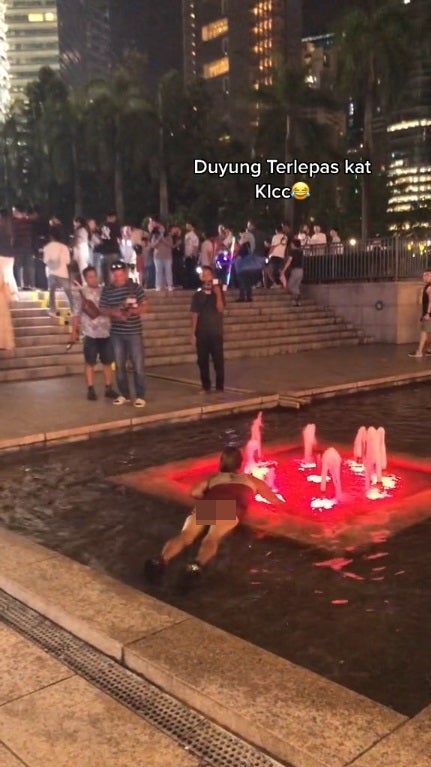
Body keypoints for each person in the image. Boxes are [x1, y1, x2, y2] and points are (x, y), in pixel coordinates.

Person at [144, 446, 286, 584]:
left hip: (208, 505)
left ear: (222, 462)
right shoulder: (251, 479)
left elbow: (194, 492)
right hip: (230, 508)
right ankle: (195, 566)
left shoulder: (214, 478)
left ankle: (161, 559)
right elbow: (275, 501)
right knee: (212, 538)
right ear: (240, 463)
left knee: (185, 536)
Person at [99, 260, 149, 407]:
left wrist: (135, 311)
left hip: (134, 331)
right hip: (117, 332)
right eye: (116, 275)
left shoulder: (134, 287)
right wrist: (115, 313)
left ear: (126, 273)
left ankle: (140, 395)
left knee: (138, 365)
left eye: (121, 274)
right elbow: (102, 309)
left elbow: (146, 305)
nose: (118, 277)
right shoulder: (108, 289)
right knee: (120, 365)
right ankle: (124, 394)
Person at [71, 266, 118, 401]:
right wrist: (74, 331)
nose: (94, 279)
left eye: (95, 276)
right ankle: (90, 388)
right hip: (90, 333)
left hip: (106, 332)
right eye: (90, 277)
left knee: (107, 362)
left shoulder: (105, 290)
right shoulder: (82, 292)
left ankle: (109, 387)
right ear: (85, 279)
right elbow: (76, 313)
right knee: (90, 362)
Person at [191, 265, 225, 393]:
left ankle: (220, 387)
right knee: (202, 361)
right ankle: (206, 386)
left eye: (209, 274)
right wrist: (193, 333)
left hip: (216, 332)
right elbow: (195, 315)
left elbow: (221, 309)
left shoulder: (218, 292)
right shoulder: (198, 295)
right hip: (202, 332)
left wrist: (218, 294)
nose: (206, 277)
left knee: (218, 361)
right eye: (204, 275)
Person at [43, 229, 74, 318]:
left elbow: (45, 260)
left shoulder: (47, 247)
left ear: (51, 237)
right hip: (63, 272)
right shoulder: (64, 247)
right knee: (68, 292)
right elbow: (68, 261)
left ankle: (52, 310)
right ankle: (73, 310)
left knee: (52, 292)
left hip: (51, 272)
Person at [408, 271, 431, 358]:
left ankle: (419, 351)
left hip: (428, 314)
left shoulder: (429, 288)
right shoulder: (427, 287)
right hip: (427, 313)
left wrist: (428, 313)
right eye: (424, 275)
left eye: (428, 275)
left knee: (424, 331)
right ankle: (429, 349)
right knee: (427, 332)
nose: (425, 277)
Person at [280, 237, 304, 305]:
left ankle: (297, 298)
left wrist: (284, 270)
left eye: (291, 244)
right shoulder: (300, 251)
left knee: (290, 286)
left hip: (295, 270)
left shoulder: (292, 252)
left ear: (293, 244)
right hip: (301, 270)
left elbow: (289, 261)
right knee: (296, 286)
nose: (291, 245)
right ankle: (297, 302)